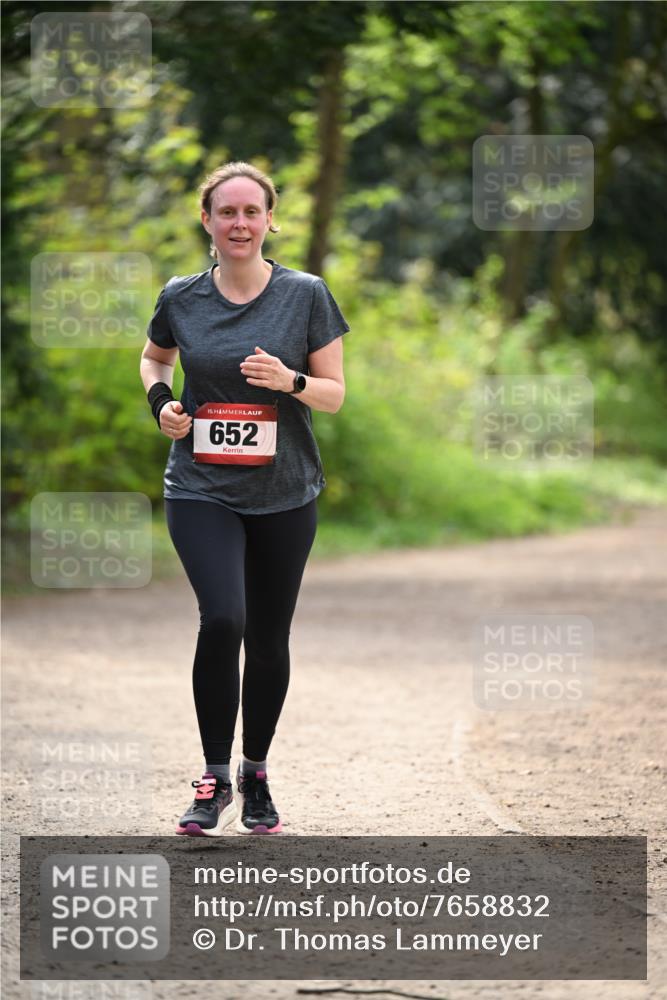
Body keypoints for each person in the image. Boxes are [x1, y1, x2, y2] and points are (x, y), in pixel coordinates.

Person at [139, 162, 349, 836]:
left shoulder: (305, 294)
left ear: (268, 219)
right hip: (200, 485)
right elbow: (154, 359)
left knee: (266, 637)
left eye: (250, 212)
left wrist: (289, 381)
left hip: (285, 490)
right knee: (222, 617)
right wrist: (162, 404)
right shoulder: (182, 296)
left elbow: (334, 394)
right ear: (206, 220)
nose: (238, 224)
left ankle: (256, 772)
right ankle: (214, 777)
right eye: (226, 212)